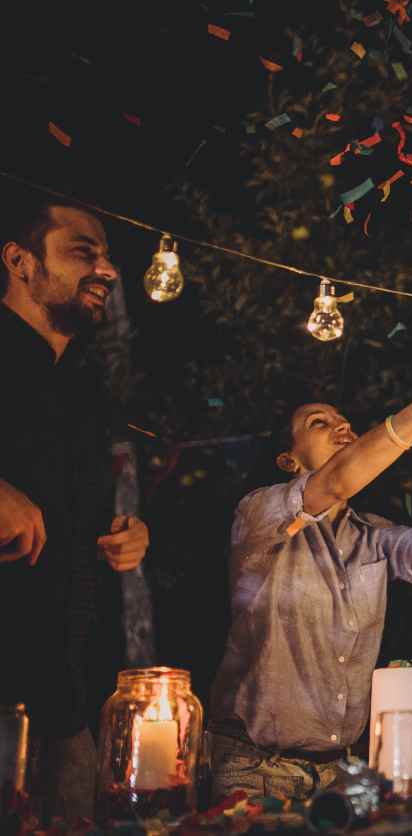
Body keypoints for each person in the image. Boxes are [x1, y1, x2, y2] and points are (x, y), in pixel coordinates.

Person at [208, 338, 412, 801]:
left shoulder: (370, 536)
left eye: (343, 420)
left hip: (338, 777)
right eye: (318, 423)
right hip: (254, 771)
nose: (341, 425)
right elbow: (338, 478)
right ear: (289, 460)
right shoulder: (260, 514)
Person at [0, 195, 151, 821]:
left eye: (108, 258)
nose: (107, 271)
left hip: (66, 702)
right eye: (82, 253)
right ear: (19, 260)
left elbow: (86, 527)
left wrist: (128, 535)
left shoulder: (87, 391)